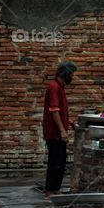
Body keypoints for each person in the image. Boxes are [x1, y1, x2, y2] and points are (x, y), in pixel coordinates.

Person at [42, 61, 77, 197]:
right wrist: (62, 130)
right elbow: (54, 111)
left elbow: (60, 111)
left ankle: (55, 189)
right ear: (66, 74)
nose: (72, 77)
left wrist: (69, 122)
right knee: (55, 162)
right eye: (72, 74)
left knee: (61, 161)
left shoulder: (60, 87)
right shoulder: (54, 87)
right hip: (54, 132)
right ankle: (50, 190)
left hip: (58, 131)